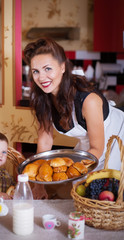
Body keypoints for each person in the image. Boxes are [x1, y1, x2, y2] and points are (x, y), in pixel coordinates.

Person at [23, 38, 124, 196]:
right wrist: (39, 183)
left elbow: (98, 147)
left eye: (47, 69)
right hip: (89, 146)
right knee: (80, 191)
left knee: (104, 193)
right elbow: (45, 140)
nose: (41, 78)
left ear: (63, 66)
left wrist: (73, 171)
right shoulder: (44, 98)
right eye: (36, 71)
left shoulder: (88, 101)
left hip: (117, 141)